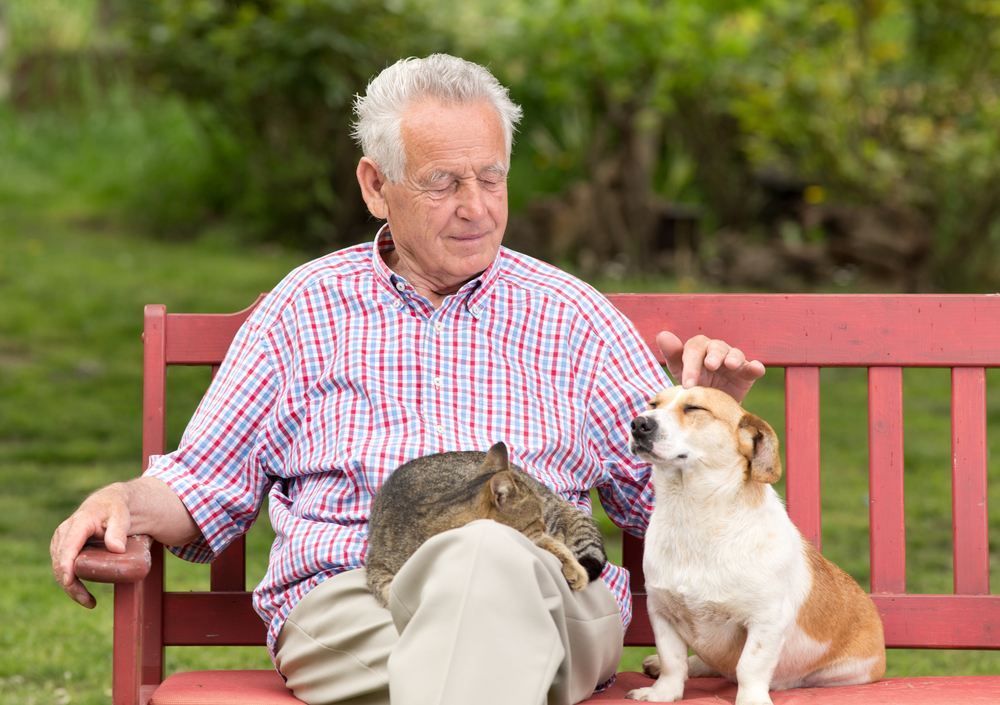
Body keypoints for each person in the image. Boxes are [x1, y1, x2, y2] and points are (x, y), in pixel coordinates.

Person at [50, 54, 764, 705]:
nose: (476, 206)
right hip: (356, 607)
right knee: (478, 625)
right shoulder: (304, 310)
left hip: (553, 601)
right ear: (374, 184)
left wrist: (711, 433)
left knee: (486, 551)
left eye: (491, 178)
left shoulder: (574, 317)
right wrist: (122, 498)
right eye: (443, 182)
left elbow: (669, 511)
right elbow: (203, 483)